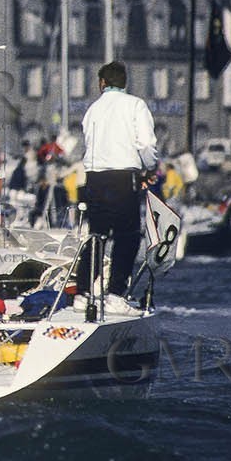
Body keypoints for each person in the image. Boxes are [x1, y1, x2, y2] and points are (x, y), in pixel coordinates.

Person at [76, 62, 159, 313]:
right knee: (127, 236)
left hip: (95, 178)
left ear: (102, 83)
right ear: (125, 82)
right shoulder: (135, 105)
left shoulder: (92, 110)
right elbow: (145, 144)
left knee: (97, 235)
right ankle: (115, 294)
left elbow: (89, 142)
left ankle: (83, 292)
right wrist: (150, 168)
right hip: (123, 178)